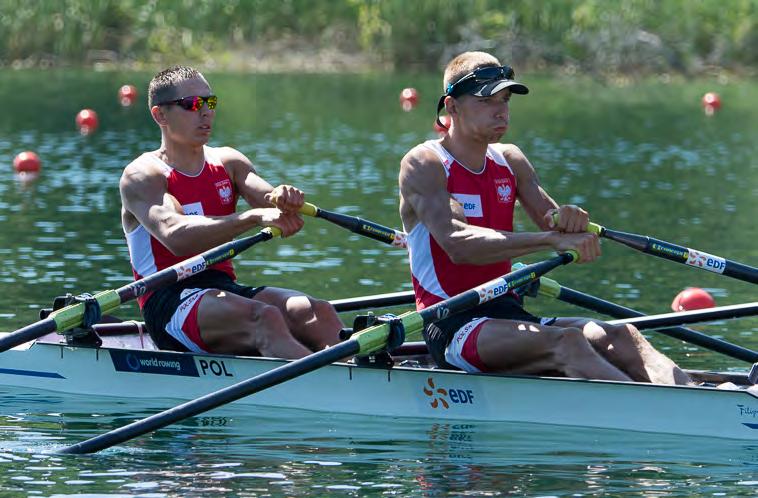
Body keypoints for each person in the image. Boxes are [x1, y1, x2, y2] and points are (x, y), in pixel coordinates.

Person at [398, 51, 691, 384]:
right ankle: (657, 412)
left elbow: (551, 221)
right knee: (568, 343)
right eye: (487, 101)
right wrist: (550, 239)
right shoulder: (425, 163)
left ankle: (695, 400)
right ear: (452, 107)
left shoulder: (510, 160)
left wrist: (568, 219)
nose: (502, 111)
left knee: (622, 335)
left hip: (508, 315)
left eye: (506, 100)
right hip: (452, 324)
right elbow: (458, 244)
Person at [120, 65, 343, 358]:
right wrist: (252, 217)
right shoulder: (143, 176)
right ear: (160, 115)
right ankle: (333, 390)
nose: (206, 112)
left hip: (222, 289)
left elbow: (266, 196)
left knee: (318, 311)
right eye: (192, 104)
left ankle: (360, 380)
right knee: (266, 318)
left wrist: (283, 197)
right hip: (170, 302)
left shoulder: (228, 162)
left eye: (210, 102)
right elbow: (176, 236)